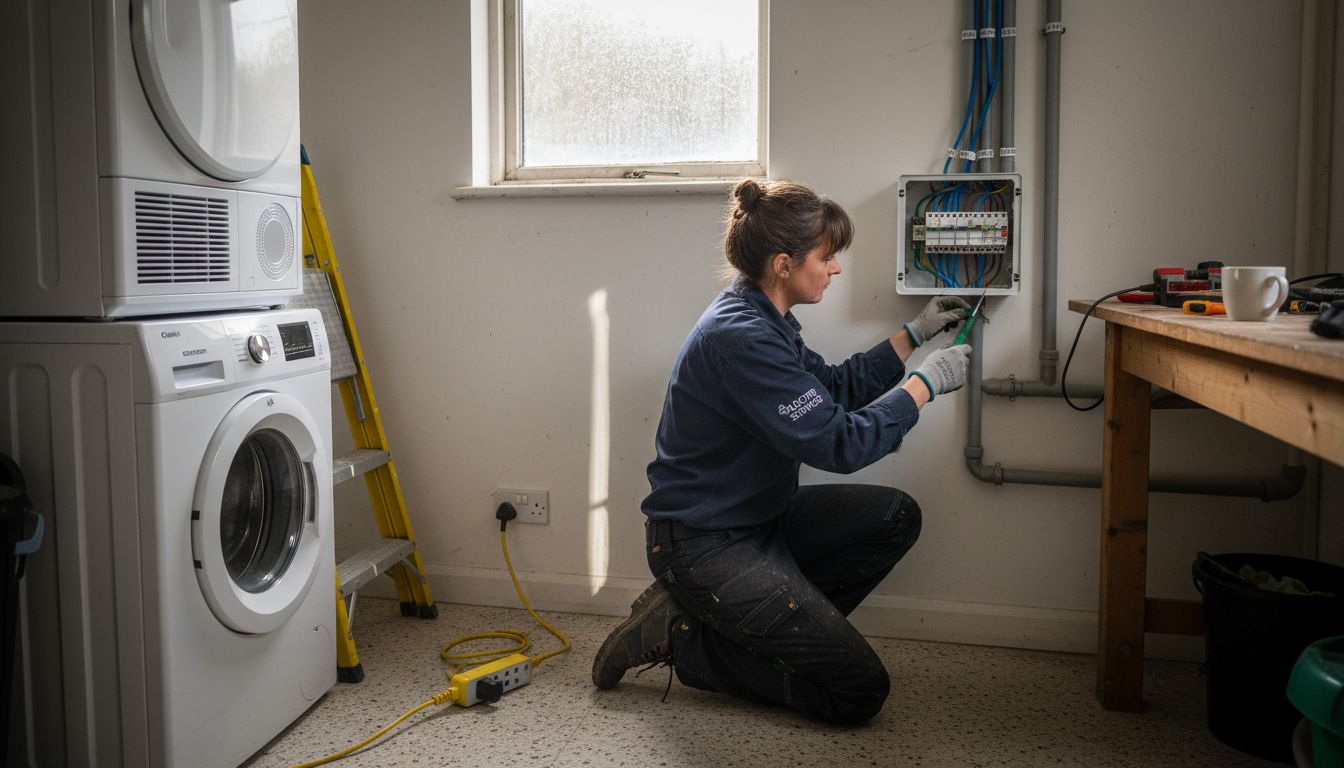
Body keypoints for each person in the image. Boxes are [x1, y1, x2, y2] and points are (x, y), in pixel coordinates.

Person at [591, 178, 973, 725]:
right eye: (826, 257)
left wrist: (914, 334)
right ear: (783, 264)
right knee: (860, 691)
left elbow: (833, 391)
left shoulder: (766, 319)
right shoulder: (742, 338)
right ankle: (685, 640)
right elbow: (840, 443)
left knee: (895, 516)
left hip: (758, 519)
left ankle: (757, 632)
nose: (835, 269)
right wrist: (923, 387)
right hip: (704, 544)